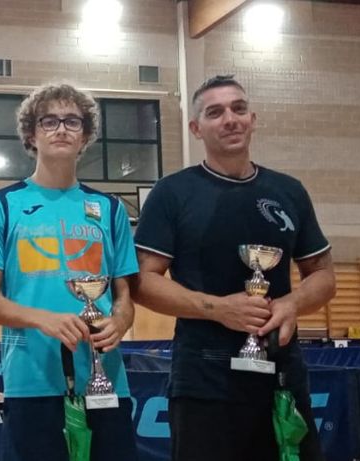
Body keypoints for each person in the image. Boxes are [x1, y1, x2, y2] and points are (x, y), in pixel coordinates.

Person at [132, 75, 335, 461]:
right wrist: (219, 309)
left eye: (238, 109)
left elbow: (323, 275)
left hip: (282, 377)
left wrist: (291, 304)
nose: (230, 119)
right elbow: (142, 281)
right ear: (196, 128)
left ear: (252, 119)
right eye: (215, 112)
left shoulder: (288, 191)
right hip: (204, 381)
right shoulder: (172, 193)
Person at [0, 82, 139, 460]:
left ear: (85, 136)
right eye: (49, 121)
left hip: (105, 382)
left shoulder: (111, 209)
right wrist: (44, 319)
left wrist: (120, 322)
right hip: (31, 382)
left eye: (72, 121)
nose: (61, 129)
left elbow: (125, 297)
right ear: (31, 135)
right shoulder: (0, 205)